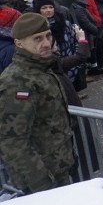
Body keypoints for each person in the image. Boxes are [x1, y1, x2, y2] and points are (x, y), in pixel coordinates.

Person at [0, 14, 75, 193]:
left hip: (59, 167)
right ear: (19, 43)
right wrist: (41, 184)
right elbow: (13, 141)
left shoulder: (41, 69)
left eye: (48, 36)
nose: (47, 43)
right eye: (38, 39)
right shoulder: (17, 81)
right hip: (42, 179)